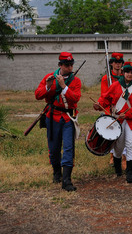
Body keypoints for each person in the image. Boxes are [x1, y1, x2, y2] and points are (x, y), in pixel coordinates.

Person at [35, 52, 81, 192]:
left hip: (68, 118)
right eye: (67, 65)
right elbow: (38, 95)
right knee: (54, 149)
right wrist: (48, 86)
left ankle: (66, 180)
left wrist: (64, 87)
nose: (70, 67)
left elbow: (75, 99)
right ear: (60, 65)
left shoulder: (75, 81)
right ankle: (57, 172)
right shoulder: (49, 77)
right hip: (53, 117)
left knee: (68, 148)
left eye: (71, 64)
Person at [93, 61, 132, 183]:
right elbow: (105, 98)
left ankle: (130, 172)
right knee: (119, 146)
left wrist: (127, 114)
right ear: (123, 72)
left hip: (131, 120)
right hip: (118, 120)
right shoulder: (115, 86)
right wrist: (98, 105)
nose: (129, 74)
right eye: (127, 72)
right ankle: (117, 168)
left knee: (131, 144)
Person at [101, 52, 127, 170]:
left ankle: (124, 157)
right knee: (112, 134)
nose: (118, 65)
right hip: (110, 109)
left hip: (123, 109)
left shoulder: (126, 76)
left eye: (120, 62)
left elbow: (129, 93)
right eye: (115, 62)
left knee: (125, 134)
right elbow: (104, 95)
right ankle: (112, 155)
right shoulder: (106, 78)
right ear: (111, 63)